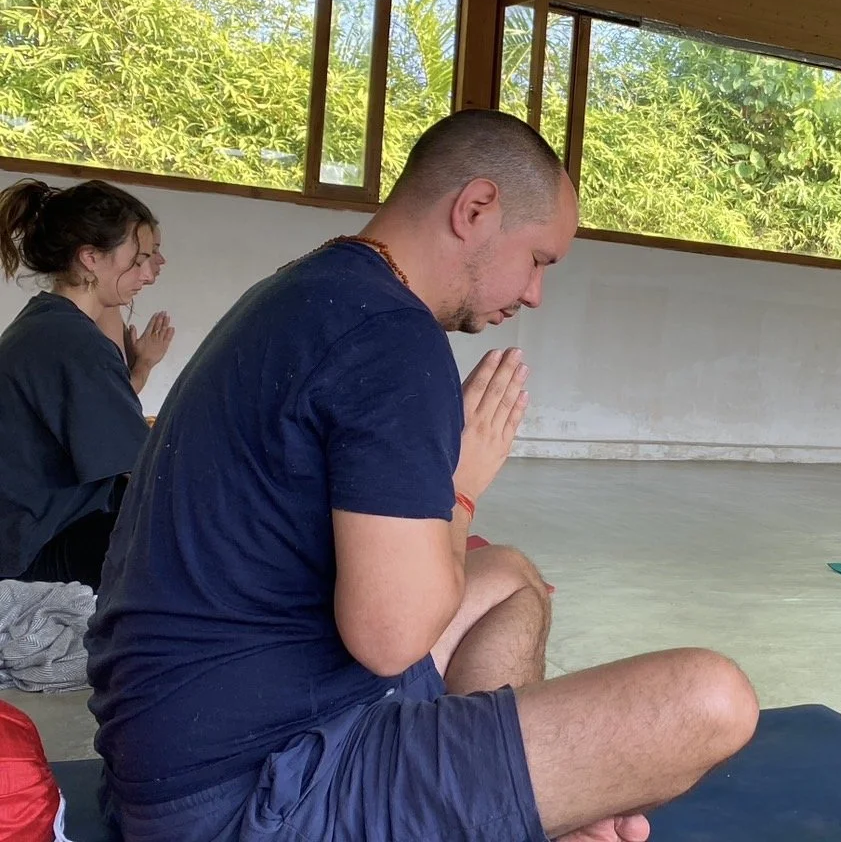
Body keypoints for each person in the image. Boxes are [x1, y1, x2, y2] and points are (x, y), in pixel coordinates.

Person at [84, 110, 757, 842]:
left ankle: (493, 807)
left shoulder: (307, 291)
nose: (535, 293)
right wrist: (460, 488)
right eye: (539, 260)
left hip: (168, 759)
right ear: (475, 210)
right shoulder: (392, 336)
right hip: (253, 795)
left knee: (510, 579)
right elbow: (391, 638)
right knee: (713, 700)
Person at [0, 178, 160, 590]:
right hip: (29, 550)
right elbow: (137, 467)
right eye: (138, 258)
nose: (149, 272)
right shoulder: (72, 342)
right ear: (90, 257)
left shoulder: (50, 323)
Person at [95, 230, 173, 395]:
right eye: (148, 254)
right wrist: (145, 363)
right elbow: (116, 397)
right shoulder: (101, 310)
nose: (148, 276)